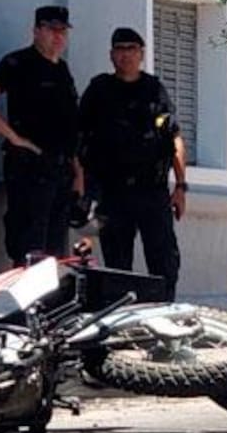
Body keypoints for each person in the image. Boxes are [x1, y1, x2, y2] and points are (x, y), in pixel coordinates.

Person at [0, 5, 83, 266]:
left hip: (61, 170)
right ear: (36, 31)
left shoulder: (63, 70)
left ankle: (49, 307)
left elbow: (70, 125)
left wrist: (78, 172)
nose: (58, 37)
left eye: (63, 31)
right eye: (52, 30)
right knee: (29, 251)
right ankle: (27, 306)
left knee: (56, 255)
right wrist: (14, 137)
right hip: (30, 167)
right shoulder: (19, 63)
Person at [78, 26, 187, 295]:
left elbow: (174, 138)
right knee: (117, 268)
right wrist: (81, 184)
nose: (126, 55)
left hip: (152, 191)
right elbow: (77, 139)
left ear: (141, 54)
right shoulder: (99, 89)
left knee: (164, 264)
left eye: (132, 49)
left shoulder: (154, 89)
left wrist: (181, 186)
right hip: (111, 193)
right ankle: (122, 326)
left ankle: (163, 319)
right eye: (120, 49)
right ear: (111, 55)